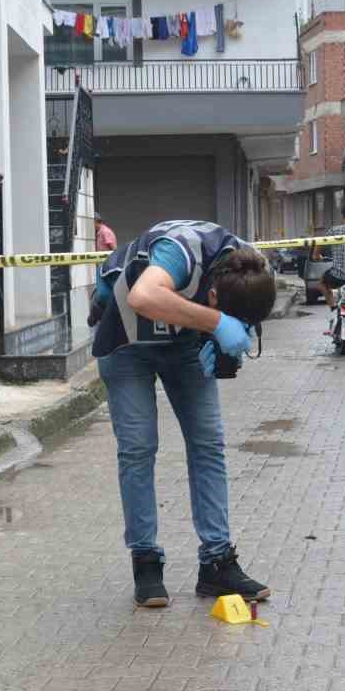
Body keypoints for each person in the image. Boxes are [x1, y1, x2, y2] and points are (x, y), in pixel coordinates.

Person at [87, 220, 275, 608]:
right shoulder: (180, 251)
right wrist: (216, 323)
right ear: (211, 294)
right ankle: (146, 562)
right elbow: (142, 297)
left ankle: (217, 563)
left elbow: (238, 315)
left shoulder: (251, 266)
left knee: (209, 444)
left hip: (183, 344)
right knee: (139, 448)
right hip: (126, 340)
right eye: (220, 310)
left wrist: (233, 335)